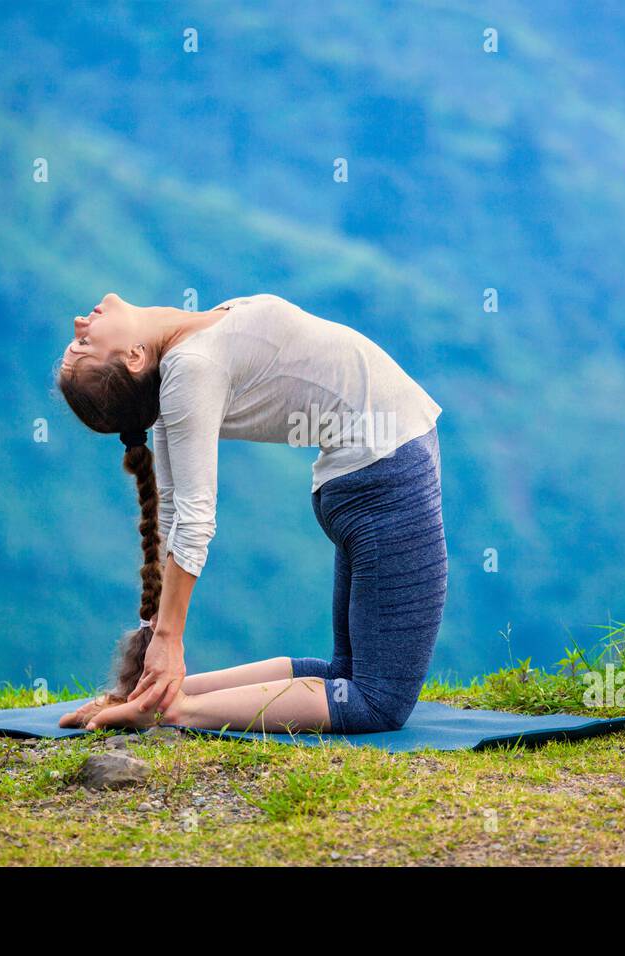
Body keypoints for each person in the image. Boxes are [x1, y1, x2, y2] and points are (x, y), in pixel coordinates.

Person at [56, 293, 446, 735]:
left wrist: (145, 673)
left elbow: (171, 515)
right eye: (84, 347)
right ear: (133, 357)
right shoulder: (190, 369)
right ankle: (173, 710)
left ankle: (157, 700)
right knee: (378, 702)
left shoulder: (182, 358)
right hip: (384, 479)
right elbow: (192, 520)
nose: (78, 325)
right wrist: (165, 638)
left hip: (370, 475)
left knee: (345, 677)